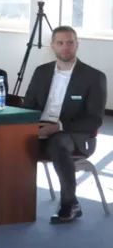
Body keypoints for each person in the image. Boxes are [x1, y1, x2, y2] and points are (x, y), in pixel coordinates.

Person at [24, 26, 108, 224]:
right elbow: (28, 106)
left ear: (77, 45)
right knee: (5, 140)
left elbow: (94, 120)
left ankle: (70, 204)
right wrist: (32, 127)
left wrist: (58, 127)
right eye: (60, 43)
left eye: (70, 42)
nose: (65, 47)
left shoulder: (94, 77)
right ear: (52, 45)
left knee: (57, 143)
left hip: (73, 134)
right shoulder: (41, 72)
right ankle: (11, 201)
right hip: (40, 128)